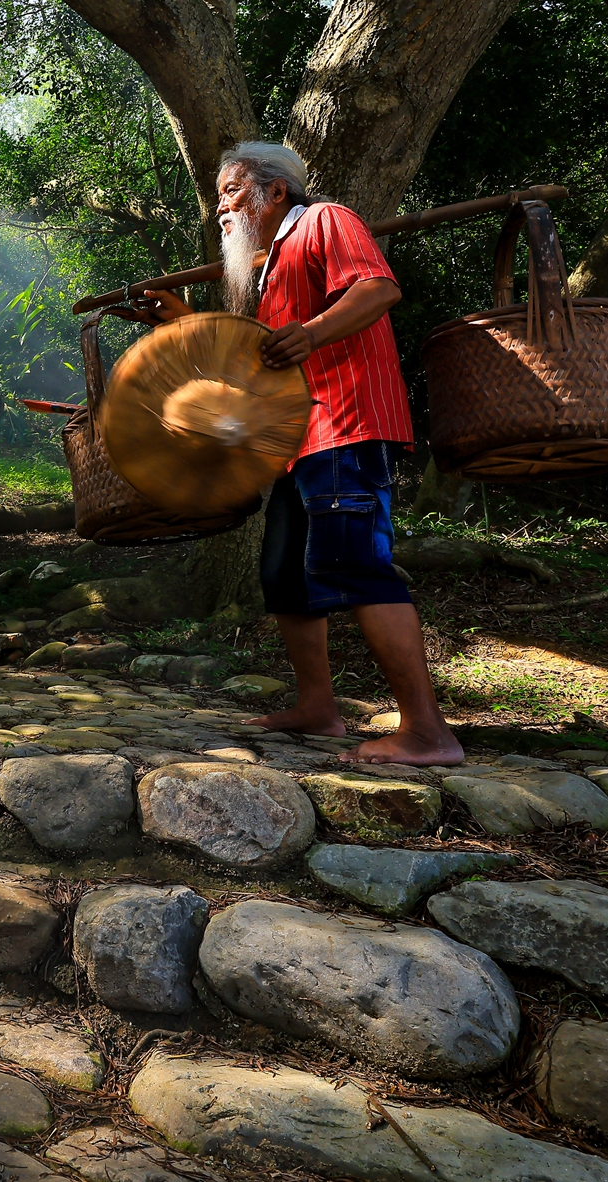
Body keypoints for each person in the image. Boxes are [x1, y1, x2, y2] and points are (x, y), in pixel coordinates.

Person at [130, 142, 462, 766]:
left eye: (230, 191)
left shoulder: (323, 220)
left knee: (357, 562)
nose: (220, 208)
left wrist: (308, 335)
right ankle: (319, 708)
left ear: (274, 191)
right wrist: (179, 324)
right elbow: (249, 361)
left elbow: (378, 289)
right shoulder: (271, 269)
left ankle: (427, 731)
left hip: (348, 424)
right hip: (296, 441)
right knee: (283, 576)